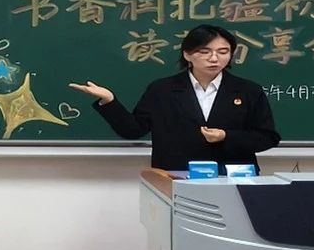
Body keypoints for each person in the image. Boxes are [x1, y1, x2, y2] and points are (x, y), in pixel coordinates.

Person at [69, 24, 280, 174]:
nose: (214, 58)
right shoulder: (162, 90)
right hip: (176, 176)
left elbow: (267, 137)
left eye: (223, 51)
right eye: (205, 51)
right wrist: (109, 101)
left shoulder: (248, 90)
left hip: (234, 176)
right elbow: (133, 130)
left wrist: (226, 136)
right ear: (187, 54)